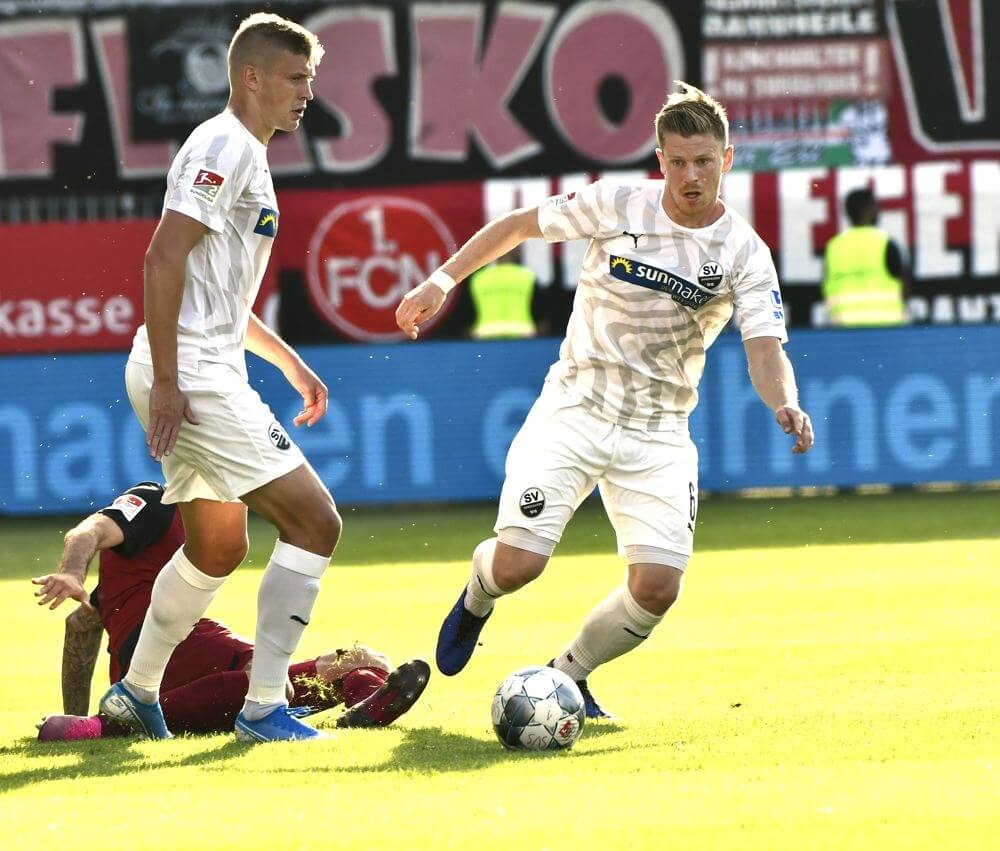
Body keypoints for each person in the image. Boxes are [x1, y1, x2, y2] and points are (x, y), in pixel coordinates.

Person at [396, 82, 814, 718]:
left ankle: (570, 676)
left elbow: (764, 348)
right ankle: (479, 596)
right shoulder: (618, 202)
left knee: (657, 589)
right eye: (677, 161)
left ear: (726, 160)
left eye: (704, 161)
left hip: (659, 430)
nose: (691, 175)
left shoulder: (744, 254)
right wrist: (441, 278)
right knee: (518, 566)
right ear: (660, 159)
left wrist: (784, 401)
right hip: (576, 406)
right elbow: (517, 226)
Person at [100, 13, 350, 742]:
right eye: (296, 77)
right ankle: (265, 707)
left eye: (311, 78)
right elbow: (162, 258)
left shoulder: (246, 152)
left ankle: (136, 691)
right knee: (316, 521)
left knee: (217, 547)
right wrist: (174, 381)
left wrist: (289, 362)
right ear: (252, 77)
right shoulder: (223, 144)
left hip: (195, 363)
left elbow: (217, 294)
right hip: (194, 374)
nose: (307, 92)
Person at [32, 482, 430, 741]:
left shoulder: (181, 545)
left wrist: (75, 714)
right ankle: (112, 725)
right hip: (173, 646)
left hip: (179, 665)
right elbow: (89, 530)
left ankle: (362, 713)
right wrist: (70, 572)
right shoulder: (157, 500)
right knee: (266, 681)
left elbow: (81, 625)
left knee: (364, 660)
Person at [822, 187, 909, 326]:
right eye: (875, 206)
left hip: (842, 330)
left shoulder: (834, 247)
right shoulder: (885, 243)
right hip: (887, 328)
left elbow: (826, 284)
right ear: (868, 209)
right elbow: (904, 285)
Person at [468, 247, 537, 339]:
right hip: (522, 332)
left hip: (485, 333)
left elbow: (469, 309)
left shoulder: (478, 278)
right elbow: (538, 307)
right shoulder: (527, 275)